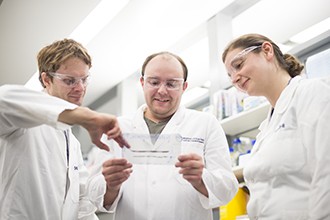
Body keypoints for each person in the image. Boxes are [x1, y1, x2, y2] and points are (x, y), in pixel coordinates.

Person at [86, 51, 238, 220]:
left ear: (184, 87)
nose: (162, 91)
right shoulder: (118, 127)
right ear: (143, 83)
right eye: (154, 82)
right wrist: (110, 185)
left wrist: (201, 179)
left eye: (172, 84)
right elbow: (93, 194)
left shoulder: (206, 124)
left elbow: (228, 189)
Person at [0, 39, 128, 220]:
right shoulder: (21, 124)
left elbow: (82, 202)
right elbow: (3, 98)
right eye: (70, 81)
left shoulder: (71, 142)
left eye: (84, 79)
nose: (80, 88)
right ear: (46, 79)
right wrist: (88, 116)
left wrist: (111, 186)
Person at [222, 33, 330, 219]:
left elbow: (326, 172)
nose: (235, 79)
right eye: (230, 75)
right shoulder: (266, 126)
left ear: (267, 50)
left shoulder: (311, 92)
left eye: (238, 65)